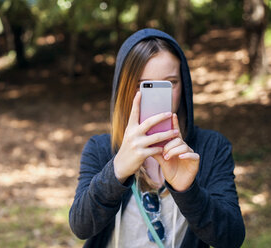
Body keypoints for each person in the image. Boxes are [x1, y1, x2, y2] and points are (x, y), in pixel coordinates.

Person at [69, 29, 245, 248]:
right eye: (143, 85)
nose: (157, 96)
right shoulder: (101, 148)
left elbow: (231, 238)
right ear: (124, 89)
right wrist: (117, 170)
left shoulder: (212, 147)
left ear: (185, 86)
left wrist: (188, 192)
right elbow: (81, 226)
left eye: (170, 83)